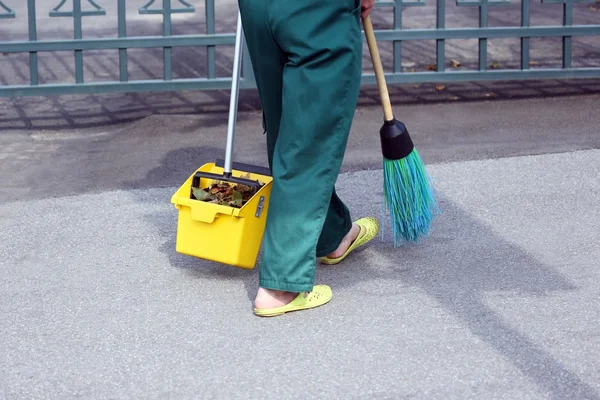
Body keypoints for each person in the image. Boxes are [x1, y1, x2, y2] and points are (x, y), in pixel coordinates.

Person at [238, 0, 378, 317]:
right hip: (316, 9)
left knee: (286, 123)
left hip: (258, 8)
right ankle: (281, 286)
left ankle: (331, 236)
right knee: (308, 139)